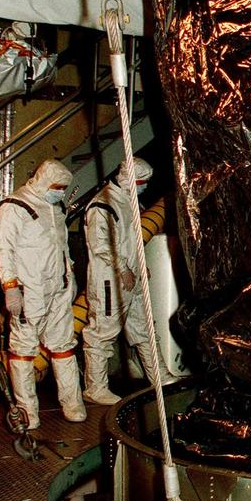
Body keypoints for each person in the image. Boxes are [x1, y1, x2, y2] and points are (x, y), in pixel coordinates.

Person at [0, 158, 86, 428]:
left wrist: (69, 278)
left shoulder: (53, 207)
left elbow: (61, 246)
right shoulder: (15, 206)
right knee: (22, 351)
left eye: (63, 188)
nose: (60, 191)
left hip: (57, 289)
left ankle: (72, 403)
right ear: (44, 181)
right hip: (28, 292)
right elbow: (3, 250)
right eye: (56, 186)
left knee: (64, 347)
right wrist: (10, 288)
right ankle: (27, 412)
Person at [82, 157, 163, 405]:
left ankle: (158, 377)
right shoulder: (104, 204)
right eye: (141, 182)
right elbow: (101, 244)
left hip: (130, 277)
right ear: (128, 180)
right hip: (110, 281)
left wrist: (140, 266)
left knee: (144, 327)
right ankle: (95, 388)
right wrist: (123, 268)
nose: (144, 187)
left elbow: (130, 240)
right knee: (102, 333)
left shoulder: (128, 202)